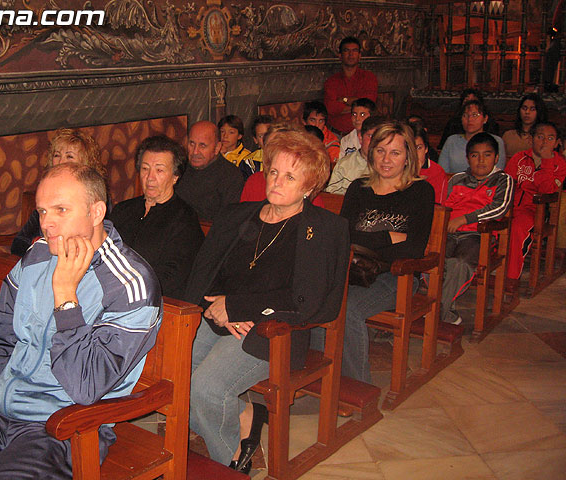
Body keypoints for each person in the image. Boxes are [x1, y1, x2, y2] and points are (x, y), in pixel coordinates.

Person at [0, 163, 162, 479]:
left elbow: (85, 386)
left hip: (63, 427)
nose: (47, 223)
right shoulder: (36, 257)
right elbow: (0, 338)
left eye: (60, 210)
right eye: (42, 211)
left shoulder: (130, 285)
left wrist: (65, 295)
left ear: (96, 213)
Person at [185, 129, 349, 473]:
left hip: (275, 330)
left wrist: (238, 307)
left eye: (290, 176)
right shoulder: (236, 216)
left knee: (205, 389)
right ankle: (246, 416)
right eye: (274, 171)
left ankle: (228, 461)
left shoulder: (323, 228)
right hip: (220, 316)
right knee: (174, 376)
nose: (276, 181)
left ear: (310, 185)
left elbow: (310, 300)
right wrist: (217, 309)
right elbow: (202, 272)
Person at [338, 120, 434, 383]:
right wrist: (389, 237)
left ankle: (356, 387)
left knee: (347, 309)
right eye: (380, 150)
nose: (386, 159)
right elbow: (343, 235)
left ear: (407, 157)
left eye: (395, 152)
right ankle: (320, 373)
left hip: (395, 276)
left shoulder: (420, 191)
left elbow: (414, 249)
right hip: (354, 269)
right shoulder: (358, 189)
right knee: (315, 297)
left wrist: (368, 244)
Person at [110, 135, 204, 299]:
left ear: (175, 177)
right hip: (111, 293)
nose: (150, 177)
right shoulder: (123, 210)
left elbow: (170, 278)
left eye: (159, 170)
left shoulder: (184, 219)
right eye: (145, 169)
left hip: (154, 302)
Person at [441, 133, 514, 325]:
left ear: (496, 158)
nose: (481, 160)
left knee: (459, 263)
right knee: (433, 258)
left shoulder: (502, 180)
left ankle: (438, 311)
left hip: (478, 235)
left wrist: (465, 219)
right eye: (475, 155)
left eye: (487, 155)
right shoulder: (457, 179)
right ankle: (444, 308)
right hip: (449, 233)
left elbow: (500, 208)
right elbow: (443, 207)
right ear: (467, 158)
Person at [10, 128, 106, 256]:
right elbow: (19, 243)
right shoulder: (47, 196)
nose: (61, 162)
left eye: (69, 156)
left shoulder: (95, 194)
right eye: (57, 155)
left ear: (85, 161)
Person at [504, 122, 566, 293]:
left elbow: (546, 190)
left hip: (535, 210)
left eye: (550, 138)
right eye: (540, 137)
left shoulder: (559, 164)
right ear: (531, 139)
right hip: (510, 206)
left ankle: (511, 277)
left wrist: (546, 162)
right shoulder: (519, 158)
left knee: (517, 228)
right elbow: (507, 183)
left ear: (557, 143)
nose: (544, 142)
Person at [175, 120, 244, 221]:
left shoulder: (231, 176)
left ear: (217, 148)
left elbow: (228, 221)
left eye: (202, 146)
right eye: (192, 143)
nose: (195, 151)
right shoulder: (179, 167)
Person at [324, 36, 378, 135]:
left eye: (354, 51)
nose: (351, 54)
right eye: (347, 51)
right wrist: (357, 104)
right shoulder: (331, 81)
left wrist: (343, 100)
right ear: (340, 55)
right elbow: (330, 108)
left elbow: (368, 105)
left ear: (359, 55)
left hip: (362, 135)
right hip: (336, 135)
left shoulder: (369, 78)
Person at [439, 100, 506, 173]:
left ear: (485, 118)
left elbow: (497, 172)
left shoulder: (495, 141)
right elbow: (442, 172)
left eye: (475, 115)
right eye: (465, 115)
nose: (469, 119)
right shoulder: (451, 141)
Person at [325, 116, 384, 195]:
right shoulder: (345, 164)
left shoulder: (387, 165)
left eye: (379, 137)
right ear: (360, 138)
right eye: (370, 136)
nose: (374, 141)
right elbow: (331, 195)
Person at [410, 122, 448, 204]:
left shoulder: (437, 172)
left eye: (418, 148)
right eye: (410, 148)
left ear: (426, 148)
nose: (414, 153)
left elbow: (437, 207)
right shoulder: (395, 168)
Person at [502, 94, 549, 158]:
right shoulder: (508, 135)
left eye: (532, 109)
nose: (527, 112)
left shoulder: (542, 138)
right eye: (524, 108)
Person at [302, 100, 340, 166]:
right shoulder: (297, 136)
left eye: (321, 121)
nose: (317, 125)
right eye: (312, 120)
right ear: (304, 122)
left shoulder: (332, 143)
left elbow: (331, 167)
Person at [240, 115, 273, 179]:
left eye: (268, 134)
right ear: (255, 140)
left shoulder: (286, 157)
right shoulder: (248, 162)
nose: (265, 139)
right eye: (261, 136)